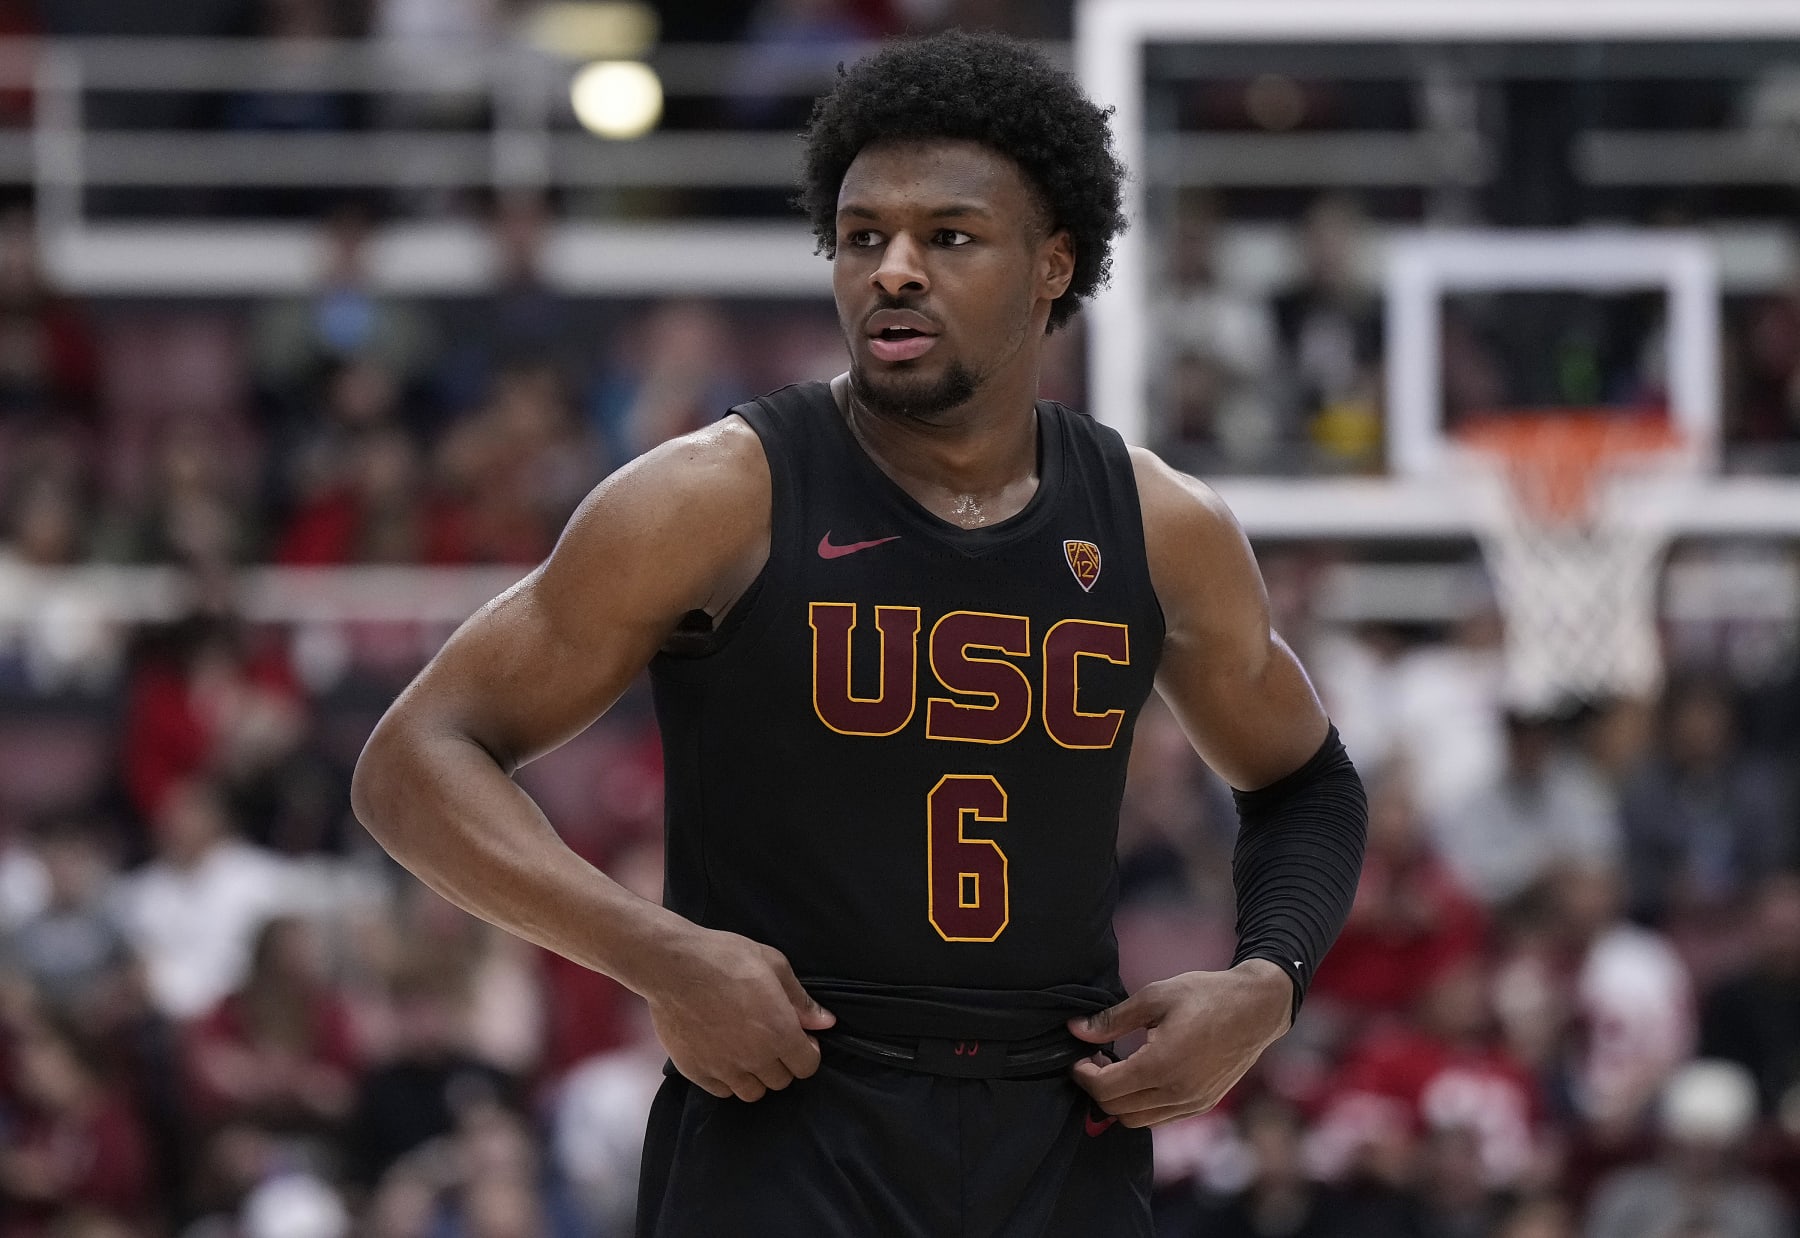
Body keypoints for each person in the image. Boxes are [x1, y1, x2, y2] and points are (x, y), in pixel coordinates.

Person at [351, 31, 1367, 1236]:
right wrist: (656, 952)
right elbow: (412, 760)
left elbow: (1307, 783)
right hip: (788, 1118)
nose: (893, 269)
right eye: (862, 235)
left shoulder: (1161, 524)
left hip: (1062, 1131)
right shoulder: (714, 495)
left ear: (1053, 263)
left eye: (949, 237)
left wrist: (1266, 982)